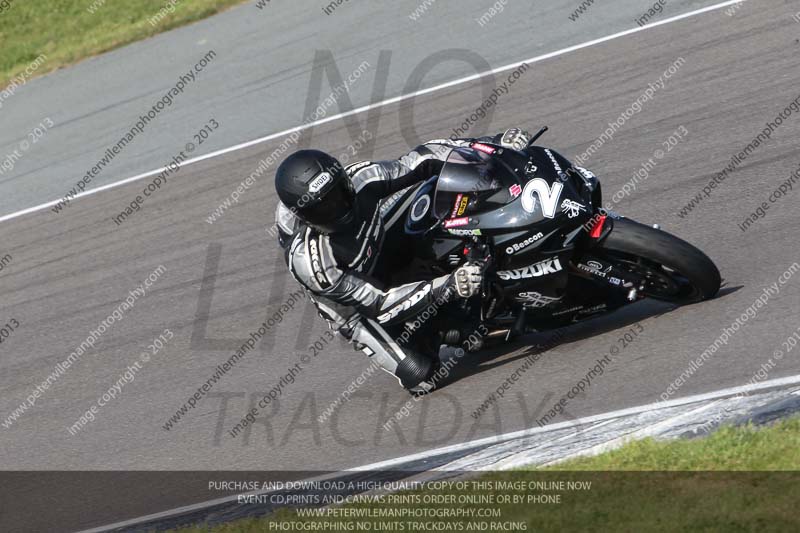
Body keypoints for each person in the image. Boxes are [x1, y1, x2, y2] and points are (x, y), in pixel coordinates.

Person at [273, 129, 532, 394]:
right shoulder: (311, 261)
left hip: (379, 242)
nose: (338, 207)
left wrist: (492, 145)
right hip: (360, 308)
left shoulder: (362, 178)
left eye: (339, 193)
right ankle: (447, 330)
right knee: (421, 375)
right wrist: (448, 286)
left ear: (344, 180)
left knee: (437, 200)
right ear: (305, 217)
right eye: (323, 208)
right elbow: (379, 303)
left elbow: (421, 160)